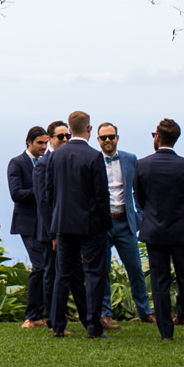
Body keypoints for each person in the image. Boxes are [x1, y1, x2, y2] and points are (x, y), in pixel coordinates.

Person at [134, 117, 184, 340]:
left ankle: (166, 332)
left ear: (157, 137)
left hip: (155, 230)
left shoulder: (143, 165)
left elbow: (140, 198)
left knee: (160, 282)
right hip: (182, 231)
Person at [47, 110, 110, 339]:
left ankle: (58, 325)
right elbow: (102, 195)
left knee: (62, 274)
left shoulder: (56, 156)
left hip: (63, 223)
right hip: (90, 224)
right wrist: (106, 222)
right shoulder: (94, 157)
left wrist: (54, 223)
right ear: (90, 129)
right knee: (93, 275)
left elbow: (50, 193)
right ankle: (93, 327)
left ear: (70, 130)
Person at [96, 122, 152, 324]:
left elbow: (138, 189)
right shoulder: (94, 160)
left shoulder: (130, 159)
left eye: (111, 136)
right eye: (104, 138)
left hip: (125, 222)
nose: (108, 140)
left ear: (117, 138)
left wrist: (139, 216)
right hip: (103, 224)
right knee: (102, 269)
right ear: (98, 140)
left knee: (135, 268)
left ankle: (144, 312)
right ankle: (105, 313)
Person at [35, 119, 81, 327]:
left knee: (75, 275)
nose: (64, 140)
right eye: (60, 137)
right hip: (52, 231)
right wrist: (52, 233)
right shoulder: (43, 165)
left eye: (67, 136)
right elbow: (44, 203)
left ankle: (87, 319)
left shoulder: (67, 160)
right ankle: (53, 320)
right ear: (50, 139)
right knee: (51, 274)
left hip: (69, 228)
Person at [7, 125, 50, 328]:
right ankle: (31, 315)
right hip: (28, 224)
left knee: (47, 268)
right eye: (40, 143)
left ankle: (43, 314)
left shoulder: (49, 162)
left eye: (46, 143)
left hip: (46, 224)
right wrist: (41, 190)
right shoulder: (17, 163)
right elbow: (16, 194)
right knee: (39, 266)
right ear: (29, 142)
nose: (44, 146)